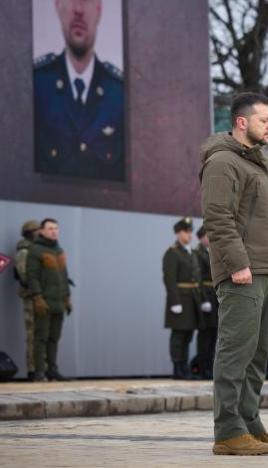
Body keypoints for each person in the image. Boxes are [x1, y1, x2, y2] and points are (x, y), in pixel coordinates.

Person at [200, 92, 268, 456]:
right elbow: (218, 217)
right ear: (242, 122)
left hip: (264, 271)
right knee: (235, 352)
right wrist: (237, 263)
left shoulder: (257, 164)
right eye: (264, 119)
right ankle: (228, 431)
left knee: (256, 353)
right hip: (242, 272)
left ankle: (250, 423)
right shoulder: (223, 162)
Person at [33, 0, 124, 180]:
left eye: (87, 1)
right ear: (57, 6)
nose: (79, 10)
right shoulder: (36, 86)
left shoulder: (120, 95)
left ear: (99, 10)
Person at [25, 218, 72, 382]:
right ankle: (39, 371)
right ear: (42, 231)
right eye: (50, 228)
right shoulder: (35, 250)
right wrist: (37, 297)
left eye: (56, 228)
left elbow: (64, 276)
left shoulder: (59, 250)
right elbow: (32, 276)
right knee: (41, 337)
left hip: (58, 301)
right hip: (44, 302)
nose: (54, 231)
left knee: (54, 338)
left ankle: (52, 370)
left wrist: (67, 297)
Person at [162, 217, 203, 380]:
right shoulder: (172, 252)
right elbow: (169, 279)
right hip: (180, 300)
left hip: (191, 300)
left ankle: (184, 367)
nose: (189, 235)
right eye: (186, 232)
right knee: (178, 336)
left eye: (190, 231)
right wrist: (175, 302)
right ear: (178, 233)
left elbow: (196, 278)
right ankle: (177, 368)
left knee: (188, 336)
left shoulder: (191, 253)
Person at [14, 220, 41, 380]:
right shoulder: (24, 252)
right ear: (30, 232)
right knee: (32, 334)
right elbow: (25, 277)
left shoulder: (37, 250)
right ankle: (32, 370)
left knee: (41, 334)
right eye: (38, 230)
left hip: (40, 297)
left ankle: (41, 369)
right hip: (31, 297)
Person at [194, 225, 218, 379]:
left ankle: (209, 366)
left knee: (214, 334)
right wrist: (203, 299)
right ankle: (201, 367)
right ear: (202, 237)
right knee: (205, 335)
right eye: (208, 235)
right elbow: (197, 278)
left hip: (215, 296)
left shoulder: (214, 252)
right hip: (206, 297)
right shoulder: (197, 253)